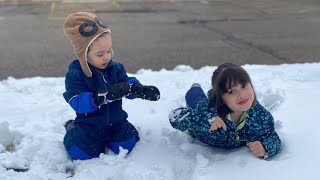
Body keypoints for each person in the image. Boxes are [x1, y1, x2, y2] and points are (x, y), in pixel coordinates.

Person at [62, 12, 160, 160]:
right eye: (100, 54)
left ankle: (115, 136)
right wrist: (100, 97)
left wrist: (138, 89)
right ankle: (71, 128)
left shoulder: (116, 68)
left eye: (109, 51)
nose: (107, 57)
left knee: (127, 144)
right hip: (89, 127)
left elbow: (126, 84)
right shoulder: (76, 74)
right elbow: (76, 100)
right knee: (82, 152)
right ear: (84, 54)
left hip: (116, 123)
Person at [169, 62, 281, 159]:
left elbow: (273, 137)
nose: (242, 95)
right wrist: (205, 119)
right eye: (231, 91)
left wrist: (265, 147)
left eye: (243, 85)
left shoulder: (261, 117)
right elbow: (175, 117)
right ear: (220, 98)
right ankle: (195, 88)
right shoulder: (207, 111)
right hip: (201, 105)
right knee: (196, 98)